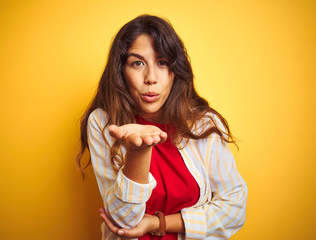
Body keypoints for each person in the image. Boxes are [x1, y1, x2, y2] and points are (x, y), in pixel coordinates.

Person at [77, 14, 247, 240]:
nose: (151, 78)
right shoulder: (104, 123)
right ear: (121, 71)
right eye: (137, 63)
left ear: (175, 70)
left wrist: (158, 223)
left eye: (162, 62)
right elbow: (124, 221)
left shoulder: (203, 123)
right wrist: (138, 151)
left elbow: (234, 209)